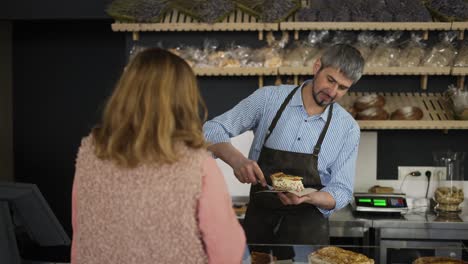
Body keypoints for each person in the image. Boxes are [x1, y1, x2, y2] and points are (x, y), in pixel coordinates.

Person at [71, 48, 245, 264]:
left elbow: (81, 238)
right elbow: (227, 250)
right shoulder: (198, 165)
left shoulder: (92, 154)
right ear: (185, 100)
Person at [203, 44, 364, 259]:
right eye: (330, 80)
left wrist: (309, 197)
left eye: (342, 88)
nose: (333, 92)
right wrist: (237, 161)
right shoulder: (269, 99)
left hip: (307, 237)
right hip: (259, 227)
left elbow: (342, 191)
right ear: (317, 67)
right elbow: (211, 129)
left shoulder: (347, 128)